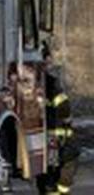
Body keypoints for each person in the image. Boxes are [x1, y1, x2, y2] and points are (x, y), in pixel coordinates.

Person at [40, 42, 79, 194]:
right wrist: (68, 120)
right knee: (67, 163)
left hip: (43, 136)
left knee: (48, 173)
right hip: (57, 136)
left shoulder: (36, 81)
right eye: (48, 58)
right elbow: (63, 105)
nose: (50, 61)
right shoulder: (50, 82)